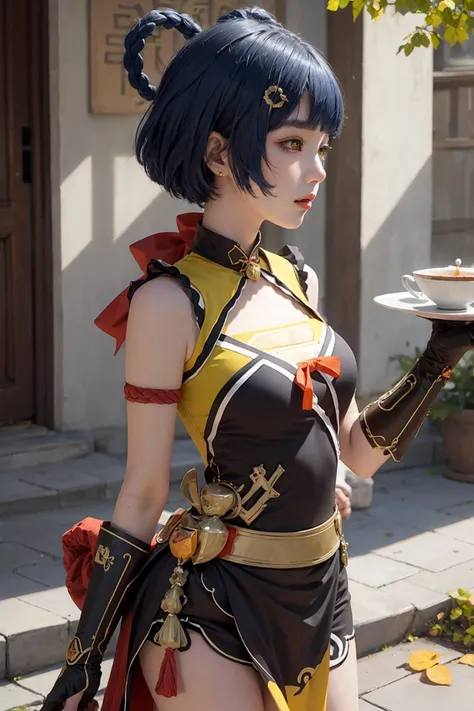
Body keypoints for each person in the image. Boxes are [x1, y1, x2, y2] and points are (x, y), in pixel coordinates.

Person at [40, 7, 474, 711]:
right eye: (293, 142)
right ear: (219, 152)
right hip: (212, 609)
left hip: (324, 592)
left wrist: (436, 360)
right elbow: (143, 493)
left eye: (323, 145)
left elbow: (349, 455)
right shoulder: (167, 304)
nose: (317, 168)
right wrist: (82, 659)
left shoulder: (296, 276)